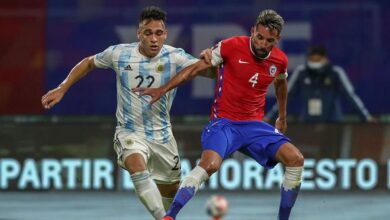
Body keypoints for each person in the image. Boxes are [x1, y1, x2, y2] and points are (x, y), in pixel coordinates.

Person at [41, 6, 215, 220]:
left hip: (162, 135)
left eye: (158, 33)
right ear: (138, 34)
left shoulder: (175, 57)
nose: (153, 39)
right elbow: (88, 63)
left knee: (170, 189)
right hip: (129, 131)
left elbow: (210, 72)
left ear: (165, 35)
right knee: (136, 165)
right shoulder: (119, 53)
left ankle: (168, 216)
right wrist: (62, 87)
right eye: (148, 33)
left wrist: (213, 56)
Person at [133, 9, 304, 220]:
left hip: (254, 126)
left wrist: (282, 117)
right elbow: (195, 69)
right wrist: (163, 89)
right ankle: (170, 217)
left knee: (296, 159)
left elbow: (281, 84)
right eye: (259, 37)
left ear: (277, 39)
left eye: (269, 40)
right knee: (210, 165)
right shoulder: (231, 45)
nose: (262, 44)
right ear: (252, 32)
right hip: (223, 124)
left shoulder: (280, 60)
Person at [265, 45, 375, 123]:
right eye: (312, 60)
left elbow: (350, 96)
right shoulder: (301, 72)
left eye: (318, 60)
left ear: (325, 59)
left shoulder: (335, 73)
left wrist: (365, 117)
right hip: (308, 123)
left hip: (333, 124)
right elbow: (286, 96)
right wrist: (271, 117)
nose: (315, 63)